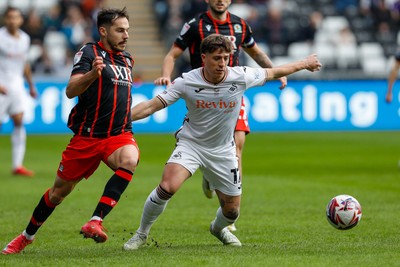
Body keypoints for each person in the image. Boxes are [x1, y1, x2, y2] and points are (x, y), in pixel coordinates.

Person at [123, 34, 322, 250]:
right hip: (191, 145)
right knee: (167, 187)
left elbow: (274, 72)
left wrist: (305, 64)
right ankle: (141, 235)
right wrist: (121, 120)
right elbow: (153, 105)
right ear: (204, 57)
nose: (223, 63)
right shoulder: (187, 81)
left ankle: (218, 229)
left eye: (226, 58)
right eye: (217, 58)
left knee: (232, 212)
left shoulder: (240, 76)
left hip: (223, 151)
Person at [2, 7, 139, 255]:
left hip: (117, 136)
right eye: (120, 30)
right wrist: (92, 75)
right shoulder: (88, 52)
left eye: (127, 30)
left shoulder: (127, 59)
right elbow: (71, 90)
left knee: (130, 159)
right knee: (57, 194)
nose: (125, 35)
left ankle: (95, 220)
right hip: (87, 138)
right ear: (103, 31)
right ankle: (26, 236)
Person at [154, 0, 287, 232]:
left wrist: (275, 72)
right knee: (214, 142)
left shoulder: (240, 26)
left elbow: (255, 51)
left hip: (232, 91)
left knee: (237, 144)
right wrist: (166, 77)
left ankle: (227, 207)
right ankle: (212, 176)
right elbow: (172, 55)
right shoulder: (195, 25)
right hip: (203, 91)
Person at [0, 7, 38, 176]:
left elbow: (25, 63)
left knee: (18, 121)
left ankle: (17, 165)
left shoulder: (25, 38)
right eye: (9, 18)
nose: (12, 21)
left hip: (16, 86)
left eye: (16, 17)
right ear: (5, 20)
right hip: (1, 86)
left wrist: (30, 86)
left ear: (20, 20)